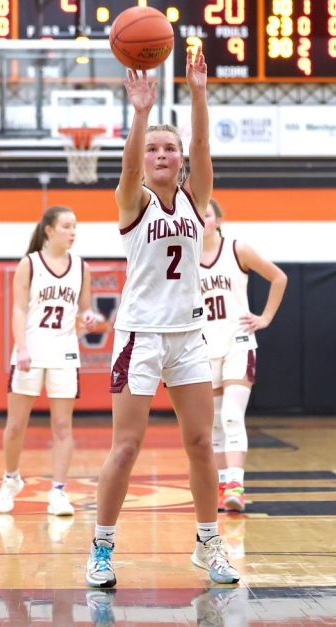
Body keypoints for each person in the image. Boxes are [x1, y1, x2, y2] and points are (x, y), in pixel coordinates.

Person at [86, 49, 240, 589]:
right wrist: (140, 113)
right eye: (154, 148)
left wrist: (198, 94)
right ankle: (102, 547)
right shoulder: (133, 202)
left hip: (189, 336)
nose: (161, 154)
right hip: (140, 337)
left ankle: (208, 543)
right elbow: (127, 167)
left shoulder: (198, 201)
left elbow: (202, 148)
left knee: (201, 443)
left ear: (179, 159)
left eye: (168, 149)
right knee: (126, 447)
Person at [0, 206, 102, 517]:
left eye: (75, 226)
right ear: (49, 230)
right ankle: (11, 479)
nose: (73, 231)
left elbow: (83, 309)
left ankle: (58, 491)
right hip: (30, 350)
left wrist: (88, 316)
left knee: (62, 426)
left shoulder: (82, 267)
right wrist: (22, 347)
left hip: (65, 352)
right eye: (67, 226)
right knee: (16, 426)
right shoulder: (29, 264)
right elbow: (18, 310)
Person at [200, 197, 288, 513]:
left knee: (232, 416)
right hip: (204, 347)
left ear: (219, 221)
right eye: (197, 214)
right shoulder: (183, 258)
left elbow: (279, 277)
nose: (202, 219)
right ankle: (223, 484)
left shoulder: (237, 249)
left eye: (207, 214)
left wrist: (264, 318)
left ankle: (236, 484)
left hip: (238, 341)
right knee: (212, 423)